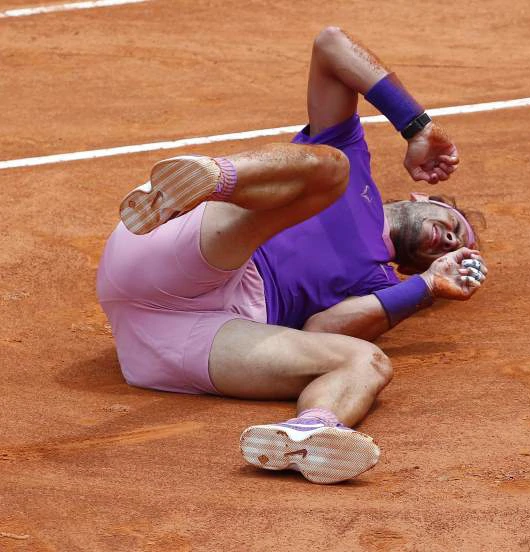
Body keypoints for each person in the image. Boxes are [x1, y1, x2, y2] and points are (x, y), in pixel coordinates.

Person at [96, 26, 488, 484]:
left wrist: (423, 287)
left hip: (174, 342)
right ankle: (206, 181)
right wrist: (416, 126)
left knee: (367, 361)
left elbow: (322, 329)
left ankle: (307, 432)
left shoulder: (385, 284)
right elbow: (331, 45)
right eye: (455, 227)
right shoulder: (356, 165)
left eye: (455, 247)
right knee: (330, 168)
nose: (449, 241)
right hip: (179, 253)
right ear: (428, 200)